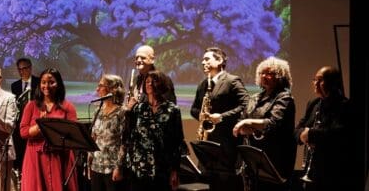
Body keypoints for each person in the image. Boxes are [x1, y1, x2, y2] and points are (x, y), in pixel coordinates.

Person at [189, 47, 248, 191]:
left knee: (226, 185)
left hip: (226, 145)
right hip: (208, 144)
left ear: (220, 60)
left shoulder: (232, 81)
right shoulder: (203, 84)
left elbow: (246, 105)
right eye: (202, 60)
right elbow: (193, 109)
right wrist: (201, 116)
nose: (203, 62)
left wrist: (221, 117)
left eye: (207, 59)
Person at [232, 56, 296, 190]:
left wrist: (248, 122)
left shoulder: (285, 97)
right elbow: (241, 121)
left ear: (280, 76)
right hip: (252, 159)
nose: (265, 76)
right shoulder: (255, 97)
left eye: (270, 73)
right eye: (262, 73)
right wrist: (250, 126)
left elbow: (273, 123)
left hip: (273, 160)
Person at [293, 66, 354, 190]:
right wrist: (303, 135)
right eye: (314, 79)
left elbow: (337, 133)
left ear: (333, 83)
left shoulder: (344, 106)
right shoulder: (313, 103)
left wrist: (311, 134)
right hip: (312, 169)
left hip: (333, 171)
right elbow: (297, 130)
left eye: (320, 80)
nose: (315, 83)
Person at [19, 68, 78, 191]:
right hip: (35, 157)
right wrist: (40, 126)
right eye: (43, 82)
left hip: (60, 158)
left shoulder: (68, 107)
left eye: (51, 82)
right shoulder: (31, 105)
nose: (47, 86)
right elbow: (23, 132)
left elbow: (74, 136)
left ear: (59, 84)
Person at [124, 70, 184, 190]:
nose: (150, 84)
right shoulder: (139, 108)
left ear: (162, 84)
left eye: (154, 81)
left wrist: (175, 170)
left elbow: (177, 142)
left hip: (162, 168)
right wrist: (128, 111)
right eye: (147, 81)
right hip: (138, 167)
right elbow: (128, 135)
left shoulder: (172, 110)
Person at [87, 74, 126, 191]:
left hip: (112, 167)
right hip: (96, 166)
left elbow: (124, 142)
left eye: (101, 86)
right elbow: (93, 137)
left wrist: (118, 167)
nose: (97, 89)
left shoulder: (122, 112)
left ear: (112, 89)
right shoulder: (98, 110)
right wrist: (89, 161)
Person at [10, 58, 40, 184]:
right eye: (20, 69)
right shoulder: (15, 86)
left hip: (35, 126)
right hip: (19, 126)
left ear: (30, 68)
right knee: (20, 153)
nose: (22, 71)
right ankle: (21, 177)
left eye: (25, 68)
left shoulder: (39, 83)